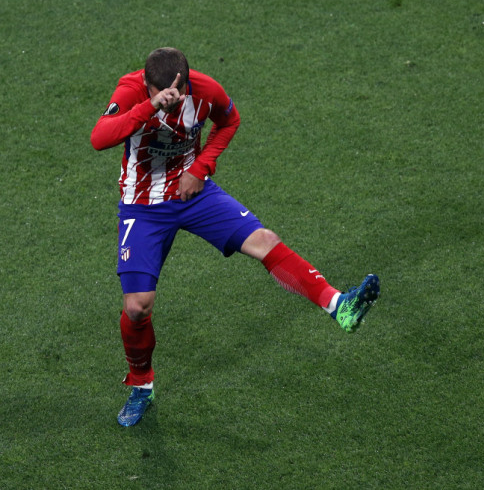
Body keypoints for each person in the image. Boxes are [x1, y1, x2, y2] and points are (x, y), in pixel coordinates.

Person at [91, 47, 380, 427]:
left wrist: (201, 167)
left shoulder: (206, 90)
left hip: (194, 193)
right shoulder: (132, 90)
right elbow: (99, 138)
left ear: (187, 81)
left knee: (264, 239)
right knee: (137, 308)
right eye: (163, 95)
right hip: (143, 206)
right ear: (148, 84)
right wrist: (151, 106)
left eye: (178, 94)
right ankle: (141, 384)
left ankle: (339, 304)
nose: (174, 102)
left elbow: (230, 121)